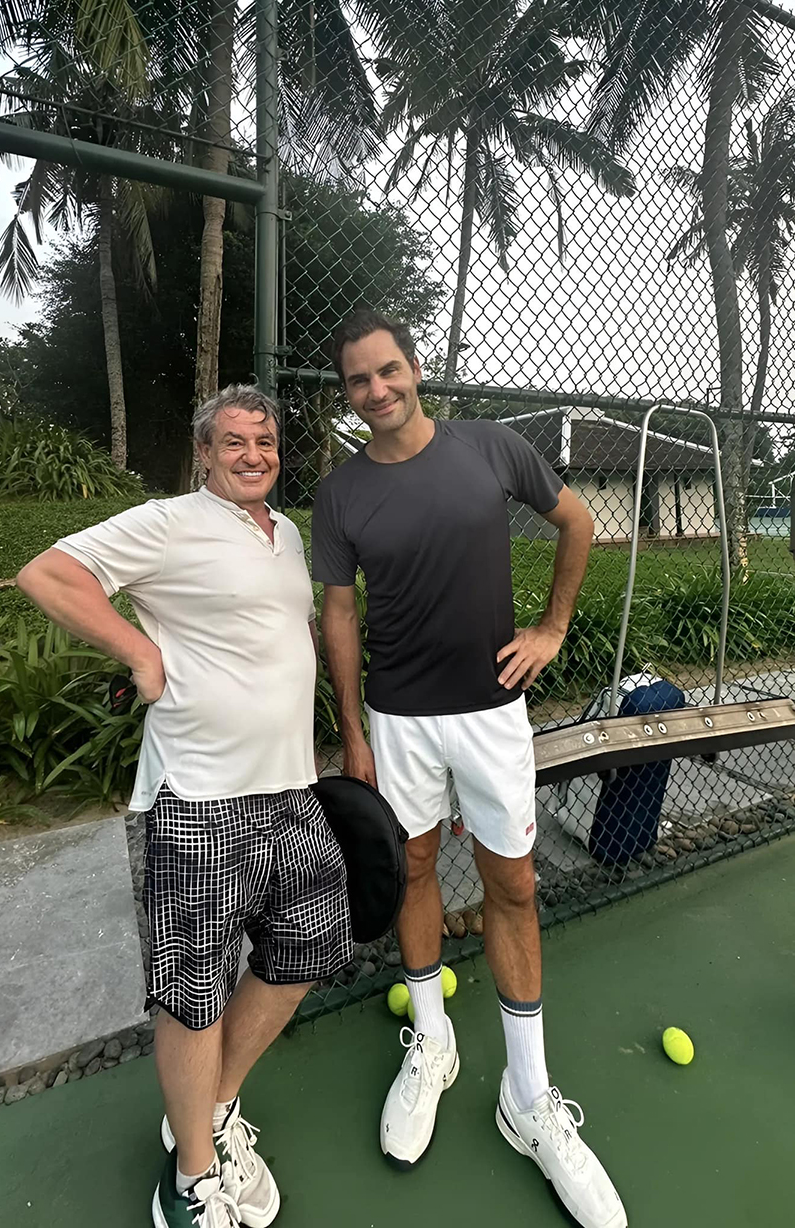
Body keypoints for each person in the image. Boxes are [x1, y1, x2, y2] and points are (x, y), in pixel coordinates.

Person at [313, 310, 627, 1228]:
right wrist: (353, 731)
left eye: (388, 370)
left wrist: (553, 628)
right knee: (412, 867)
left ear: (416, 369)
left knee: (513, 885)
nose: (376, 390)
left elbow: (578, 521)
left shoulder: (492, 448)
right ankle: (433, 1042)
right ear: (348, 395)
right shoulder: (339, 494)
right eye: (358, 380)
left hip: (492, 716)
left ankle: (528, 1099)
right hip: (396, 720)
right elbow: (340, 614)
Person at [18, 385, 353, 1228]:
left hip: (291, 791)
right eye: (233, 442)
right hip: (200, 798)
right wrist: (138, 651)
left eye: (265, 442)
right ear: (204, 453)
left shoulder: (285, 534)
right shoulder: (169, 523)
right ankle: (192, 1178)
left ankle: (211, 1107)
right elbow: (48, 574)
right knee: (193, 992)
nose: (253, 455)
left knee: (308, 949)